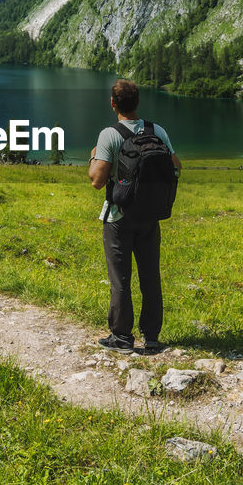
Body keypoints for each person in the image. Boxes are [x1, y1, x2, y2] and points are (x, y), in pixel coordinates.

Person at [87, 79, 181, 355]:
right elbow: (176, 167)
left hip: (119, 217)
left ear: (113, 104)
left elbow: (97, 180)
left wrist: (93, 157)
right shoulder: (157, 131)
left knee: (121, 279)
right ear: (137, 102)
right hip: (150, 216)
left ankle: (122, 338)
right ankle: (151, 336)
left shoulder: (110, 135)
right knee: (150, 276)